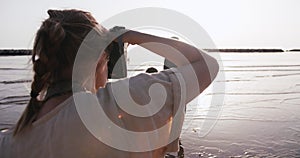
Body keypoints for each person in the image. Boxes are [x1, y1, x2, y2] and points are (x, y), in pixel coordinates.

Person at [0, 9, 219, 158]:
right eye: (108, 59)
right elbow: (207, 64)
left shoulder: (9, 142)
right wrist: (133, 36)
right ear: (99, 59)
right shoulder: (116, 103)